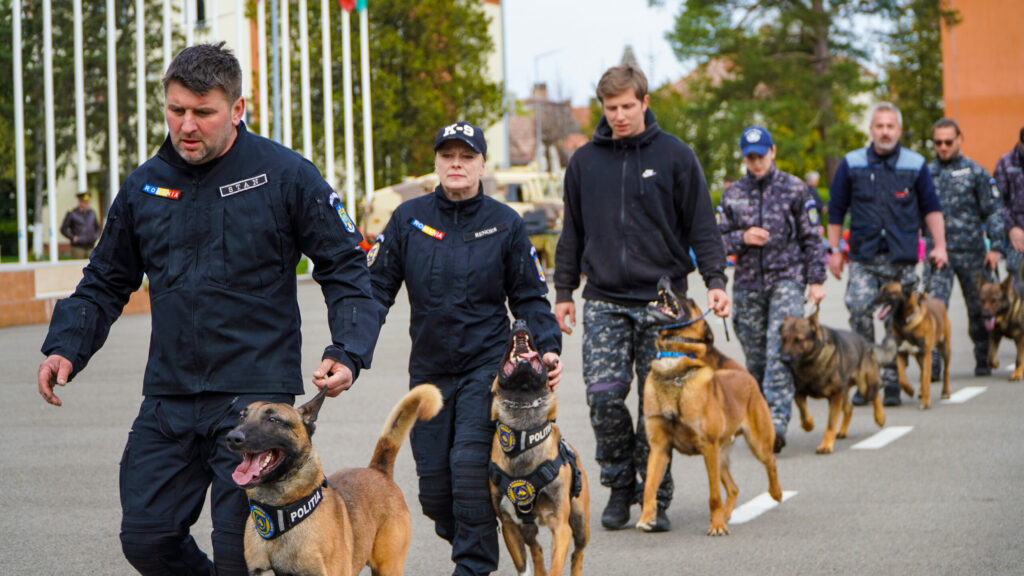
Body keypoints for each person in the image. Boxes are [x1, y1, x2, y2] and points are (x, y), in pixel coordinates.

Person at [36, 43, 381, 576]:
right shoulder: (144, 185)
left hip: (251, 399)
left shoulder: (285, 175)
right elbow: (105, 279)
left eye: (203, 112)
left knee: (236, 557)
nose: (186, 125)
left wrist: (349, 350)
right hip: (169, 396)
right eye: (176, 110)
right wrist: (66, 346)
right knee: (146, 540)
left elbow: (346, 267)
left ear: (237, 109)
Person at [368, 121, 562, 576]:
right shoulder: (408, 218)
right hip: (430, 373)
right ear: (436, 163)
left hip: (485, 367)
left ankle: (473, 566)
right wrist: (347, 349)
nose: (456, 164)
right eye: (448, 155)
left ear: (480, 164)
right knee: (435, 490)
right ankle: (480, 538)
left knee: (468, 468)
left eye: (467, 156)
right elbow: (375, 290)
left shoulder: (505, 223)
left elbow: (530, 297)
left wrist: (547, 348)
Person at [553, 64, 729, 533]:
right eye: (611, 108)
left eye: (627, 106)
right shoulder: (586, 162)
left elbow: (703, 226)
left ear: (645, 102)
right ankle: (619, 487)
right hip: (605, 298)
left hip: (664, 304)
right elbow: (572, 231)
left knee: (661, 407)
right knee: (604, 399)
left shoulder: (675, 155)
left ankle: (658, 496)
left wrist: (716, 280)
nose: (619, 116)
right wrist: (564, 291)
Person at [827, 102, 948, 406]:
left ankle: (892, 381)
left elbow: (932, 208)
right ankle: (867, 375)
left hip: (901, 258)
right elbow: (836, 210)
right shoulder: (852, 163)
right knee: (858, 307)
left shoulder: (915, 164)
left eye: (890, 126)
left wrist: (940, 245)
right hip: (864, 257)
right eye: (879, 126)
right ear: (871, 130)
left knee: (900, 319)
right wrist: (834, 251)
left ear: (899, 130)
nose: (884, 131)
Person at [717, 126, 826, 452]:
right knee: (757, 359)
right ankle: (760, 417)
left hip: (786, 279)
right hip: (748, 284)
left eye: (761, 156)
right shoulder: (733, 193)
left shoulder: (795, 189)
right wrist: (742, 238)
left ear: (773, 152)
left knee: (780, 352)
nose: (756, 163)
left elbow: (812, 238)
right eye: (750, 158)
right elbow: (715, 240)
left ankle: (775, 426)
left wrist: (816, 279)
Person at [923, 118, 1003, 376]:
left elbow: (993, 211)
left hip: (972, 252)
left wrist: (995, 247)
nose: (943, 147)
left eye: (948, 141)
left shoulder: (976, 172)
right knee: (934, 307)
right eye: (938, 142)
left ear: (959, 139)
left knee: (980, 307)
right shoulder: (925, 173)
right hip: (939, 254)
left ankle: (983, 356)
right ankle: (933, 364)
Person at [996, 127, 1024, 280]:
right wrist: (1012, 228)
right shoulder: (1006, 164)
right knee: (1016, 286)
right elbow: (997, 202)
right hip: (1017, 237)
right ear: (1020, 142)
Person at [60, 191, 102, 259]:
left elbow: (97, 228)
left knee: (91, 267)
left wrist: (95, 237)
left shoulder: (92, 213)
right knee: (78, 267)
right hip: (78, 247)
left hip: (90, 246)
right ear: (80, 202)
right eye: (84, 202)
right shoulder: (72, 213)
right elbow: (63, 229)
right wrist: (73, 237)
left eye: (88, 202)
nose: (87, 204)